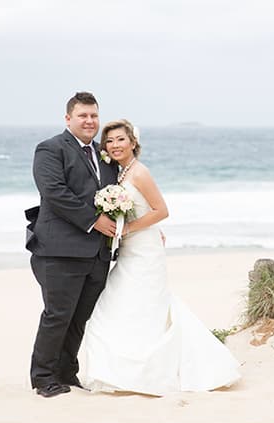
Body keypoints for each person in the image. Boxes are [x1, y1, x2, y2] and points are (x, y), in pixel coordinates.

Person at [80, 121, 241, 395]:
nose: (115, 145)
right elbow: (141, 210)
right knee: (119, 308)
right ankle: (122, 373)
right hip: (131, 249)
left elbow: (161, 210)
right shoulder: (119, 174)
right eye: (109, 141)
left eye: (121, 139)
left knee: (142, 309)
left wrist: (129, 228)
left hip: (144, 251)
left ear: (133, 143)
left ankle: (149, 373)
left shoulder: (140, 173)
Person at [26, 92, 119, 398]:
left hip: (97, 253)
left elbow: (119, 196)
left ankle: (67, 372)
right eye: (83, 116)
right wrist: (93, 221)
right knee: (58, 315)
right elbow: (54, 192)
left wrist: (131, 226)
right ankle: (43, 378)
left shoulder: (105, 156)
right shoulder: (50, 149)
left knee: (80, 318)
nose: (90, 121)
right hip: (59, 251)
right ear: (68, 119)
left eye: (94, 115)